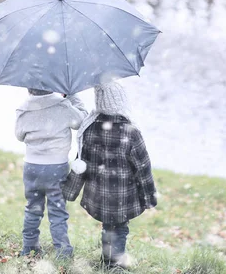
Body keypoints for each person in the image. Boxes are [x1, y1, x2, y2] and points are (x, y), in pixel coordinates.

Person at [62, 82, 157, 269]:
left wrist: (69, 191)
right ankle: (114, 265)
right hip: (123, 197)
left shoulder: (89, 130)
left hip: (100, 196)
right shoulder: (131, 132)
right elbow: (143, 167)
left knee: (108, 227)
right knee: (120, 228)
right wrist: (148, 197)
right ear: (121, 102)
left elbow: (80, 165)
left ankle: (108, 261)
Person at [15, 88, 87, 258]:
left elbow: (19, 135)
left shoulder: (23, 108)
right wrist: (72, 96)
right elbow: (82, 121)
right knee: (57, 211)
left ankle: (29, 247)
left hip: (32, 167)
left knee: (33, 208)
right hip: (56, 167)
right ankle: (62, 252)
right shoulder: (63, 105)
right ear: (53, 85)